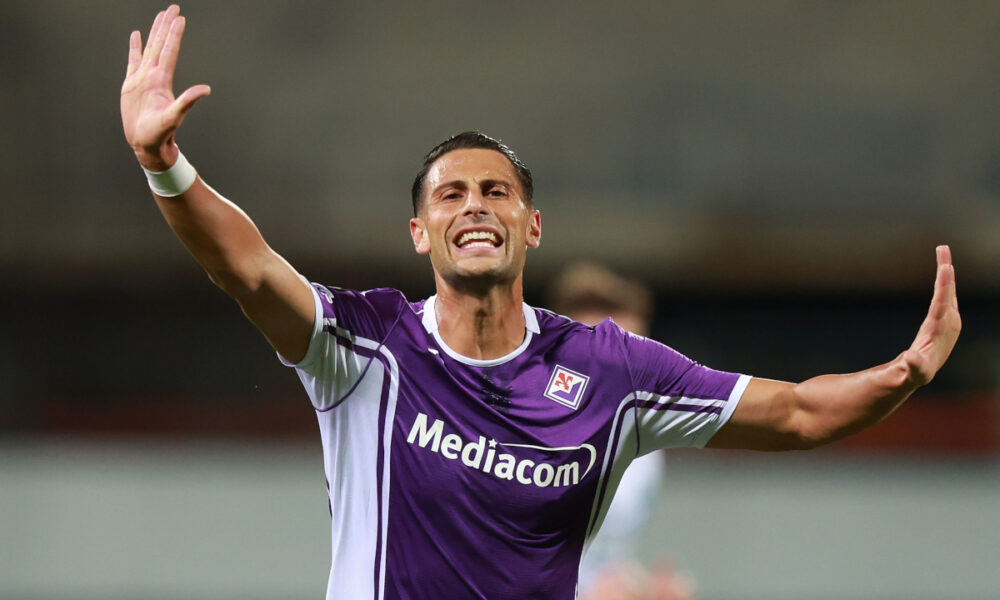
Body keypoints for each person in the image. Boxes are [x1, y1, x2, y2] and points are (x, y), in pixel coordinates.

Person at [120, 6, 962, 600]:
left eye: (497, 191)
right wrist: (166, 167)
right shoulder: (366, 347)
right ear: (420, 232)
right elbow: (249, 269)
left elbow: (797, 413)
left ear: (533, 225)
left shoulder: (610, 372)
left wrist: (909, 370)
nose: (475, 204)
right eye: (451, 195)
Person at [547, 264, 691, 600]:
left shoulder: (646, 444)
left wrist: (643, 588)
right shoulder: (522, 429)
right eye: (612, 356)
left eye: (637, 356)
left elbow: (607, 560)